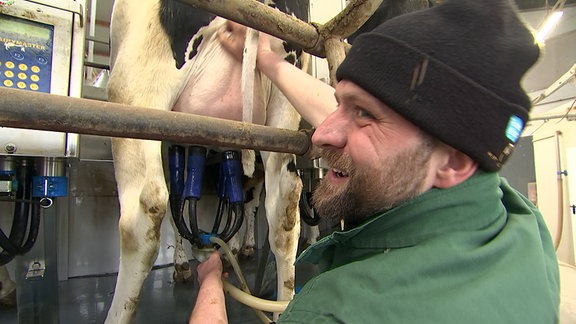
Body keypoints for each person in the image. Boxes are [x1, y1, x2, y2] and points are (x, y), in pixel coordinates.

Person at [190, 0, 560, 322]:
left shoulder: (334, 311)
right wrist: (267, 61)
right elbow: (385, 132)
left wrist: (210, 286)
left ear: (453, 163)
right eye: (342, 104)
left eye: (364, 114)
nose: (320, 134)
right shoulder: (524, 226)